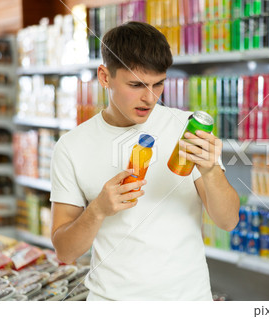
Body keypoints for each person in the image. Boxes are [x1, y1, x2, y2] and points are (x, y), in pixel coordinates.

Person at [50, 21, 240, 301]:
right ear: (105, 77)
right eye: (136, 84)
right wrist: (98, 210)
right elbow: (65, 252)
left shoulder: (184, 128)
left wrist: (211, 171)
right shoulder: (71, 147)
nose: (149, 98)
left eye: (158, 84)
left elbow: (228, 221)